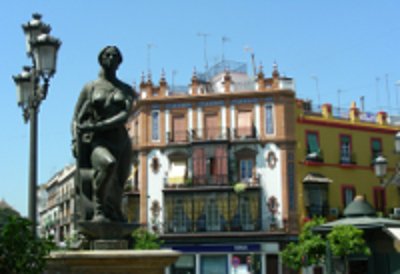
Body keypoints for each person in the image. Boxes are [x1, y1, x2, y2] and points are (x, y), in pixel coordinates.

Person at [72, 46, 136, 223]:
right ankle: (99, 210)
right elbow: (76, 117)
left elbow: (124, 115)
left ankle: (114, 212)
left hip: (121, 141)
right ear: (100, 59)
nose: (111, 58)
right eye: (107, 55)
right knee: (108, 164)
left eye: (115, 55)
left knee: (119, 182)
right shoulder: (90, 87)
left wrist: (98, 125)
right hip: (98, 141)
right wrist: (74, 141)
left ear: (119, 61)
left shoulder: (126, 90)